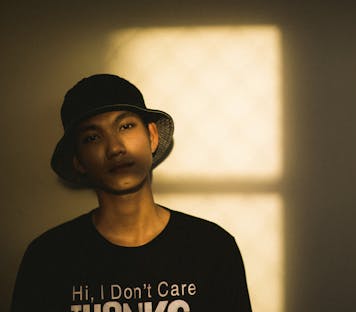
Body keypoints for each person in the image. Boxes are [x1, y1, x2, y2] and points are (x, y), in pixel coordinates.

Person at [11, 74, 252, 312]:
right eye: (92, 137)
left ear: (152, 136)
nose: (115, 148)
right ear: (79, 161)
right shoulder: (48, 259)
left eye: (125, 126)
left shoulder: (211, 249)